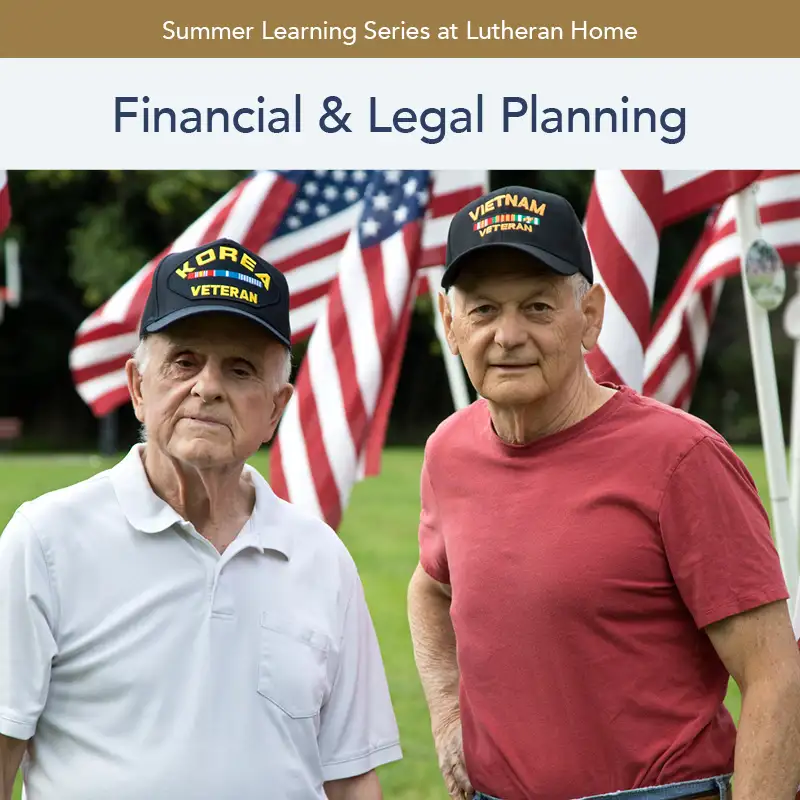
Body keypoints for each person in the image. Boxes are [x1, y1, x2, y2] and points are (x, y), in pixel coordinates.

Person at [407, 186, 800, 800]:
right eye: (483, 310)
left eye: (537, 307)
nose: (508, 336)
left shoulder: (682, 459)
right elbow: (430, 587)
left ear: (589, 315)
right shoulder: (448, 450)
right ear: (450, 324)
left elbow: (776, 675)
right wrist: (448, 716)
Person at [0, 238, 402, 800]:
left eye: (240, 369)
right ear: (138, 388)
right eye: (184, 361)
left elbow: (352, 776)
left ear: (276, 409)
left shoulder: (321, 557)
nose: (207, 387)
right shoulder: (46, 540)